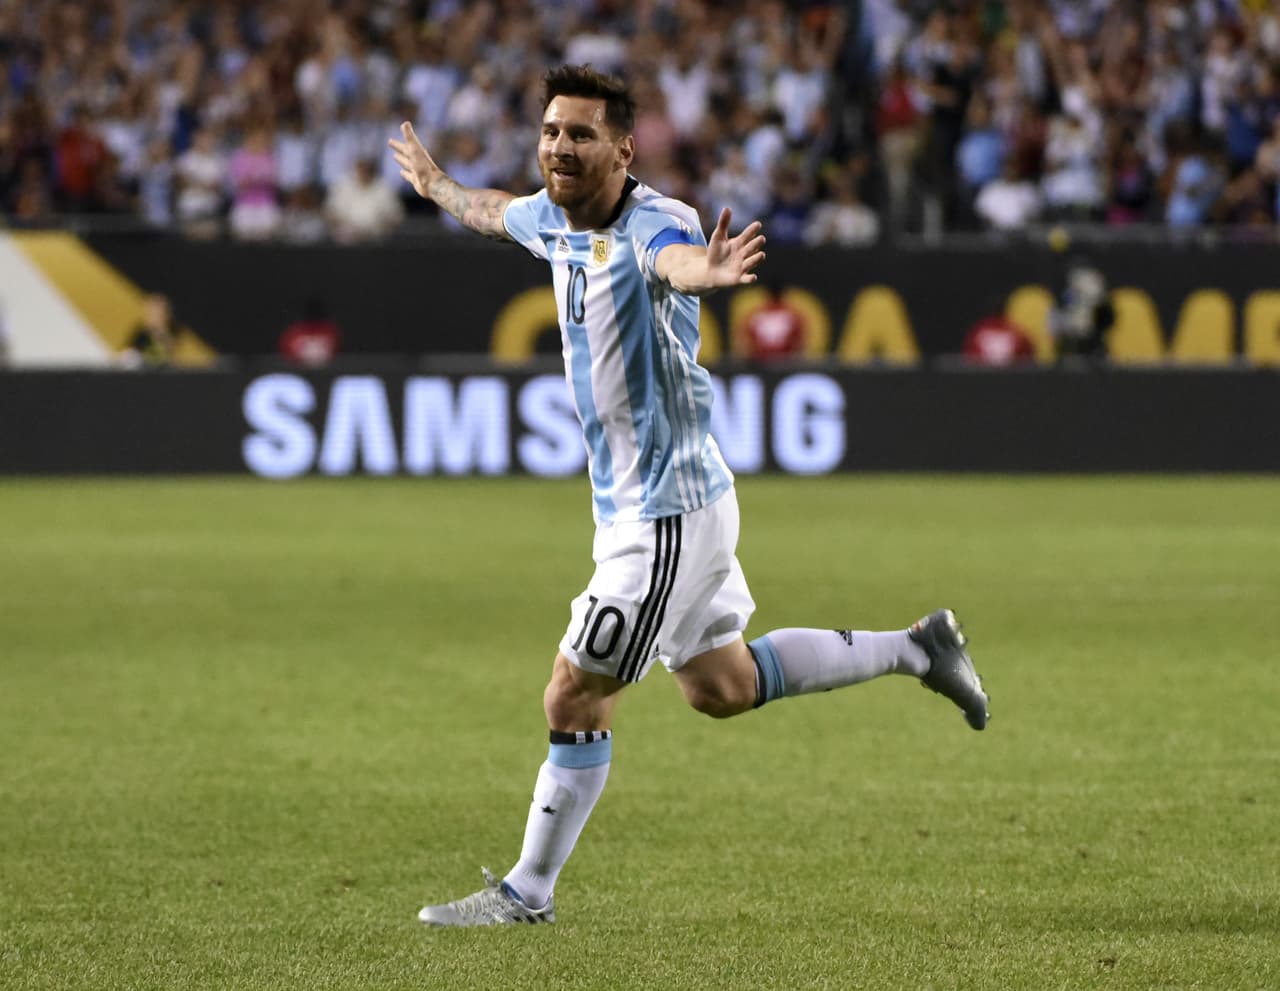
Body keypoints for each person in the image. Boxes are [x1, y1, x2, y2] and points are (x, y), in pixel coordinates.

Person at [388, 64, 990, 929]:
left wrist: (703, 272)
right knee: (722, 684)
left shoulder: (653, 225)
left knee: (571, 693)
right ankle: (917, 648)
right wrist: (438, 183)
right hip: (666, 504)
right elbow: (493, 212)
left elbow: (672, 262)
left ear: (623, 149)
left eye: (581, 134)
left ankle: (528, 890)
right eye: (552, 131)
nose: (560, 147)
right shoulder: (552, 218)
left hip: (662, 513)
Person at [119, 293, 177, 368]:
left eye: (156, 311)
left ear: (165, 314)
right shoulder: (142, 332)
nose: (152, 314)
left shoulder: (168, 334)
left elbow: (168, 355)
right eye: (151, 310)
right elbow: (128, 353)